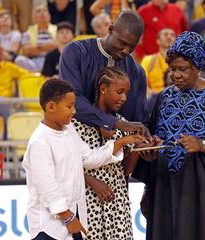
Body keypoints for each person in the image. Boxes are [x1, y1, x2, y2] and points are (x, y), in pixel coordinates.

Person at [133, 31, 205, 240]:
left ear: (197, 68)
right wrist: (151, 150)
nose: (176, 75)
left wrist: (202, 144)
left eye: (183, 69)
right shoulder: (163, 97)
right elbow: (154, 134)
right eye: (173, 69)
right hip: (164, 183)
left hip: (202, 186)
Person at [22, 78, 145, 240]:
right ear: (51, 107)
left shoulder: (69, 130)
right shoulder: (40, 141)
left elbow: (89, 157)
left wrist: (121, 142)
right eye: (69, 106)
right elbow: (47, 187)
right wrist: (67, 217)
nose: (74, 112)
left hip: (74, 217)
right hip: (48, 226)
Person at [72, 66, 145, 239]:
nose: (124, 98)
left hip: (116, 199)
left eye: (126, 93)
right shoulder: (76, 122)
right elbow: (67, 165)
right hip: (87, 198)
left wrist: (136, 150)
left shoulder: (123, 123)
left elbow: (125, 171)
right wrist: (91, 181)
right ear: (103, 89)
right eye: (119, 92)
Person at [59, 10, 150, 137]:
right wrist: (113, 122)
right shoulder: (76, 52)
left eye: (132, 46)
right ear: (111, 29)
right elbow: (71, 101)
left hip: (121, 151)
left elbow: (141, 120)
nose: (126, 51)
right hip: (75, 142)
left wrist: (146, 141)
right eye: (122, 43)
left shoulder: (137, 72)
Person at [15, 4, 58, 72]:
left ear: (49, 16)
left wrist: (37, 48)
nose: (42, 13)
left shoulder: (57, 29)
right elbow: (26, 50)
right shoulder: (28, 32)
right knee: (19, 60)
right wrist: (48, 47)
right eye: (38, 11)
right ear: (34, 17)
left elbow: (59, 46)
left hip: (53, 62)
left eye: (44, 11)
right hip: (34, 63)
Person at [141, 28, 176, 96]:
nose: (169, 37)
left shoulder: (181, 62)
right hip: (154, 99)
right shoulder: (148, 60)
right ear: (158, 41)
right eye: (165, 34)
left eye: (172, 35)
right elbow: (141, 83)